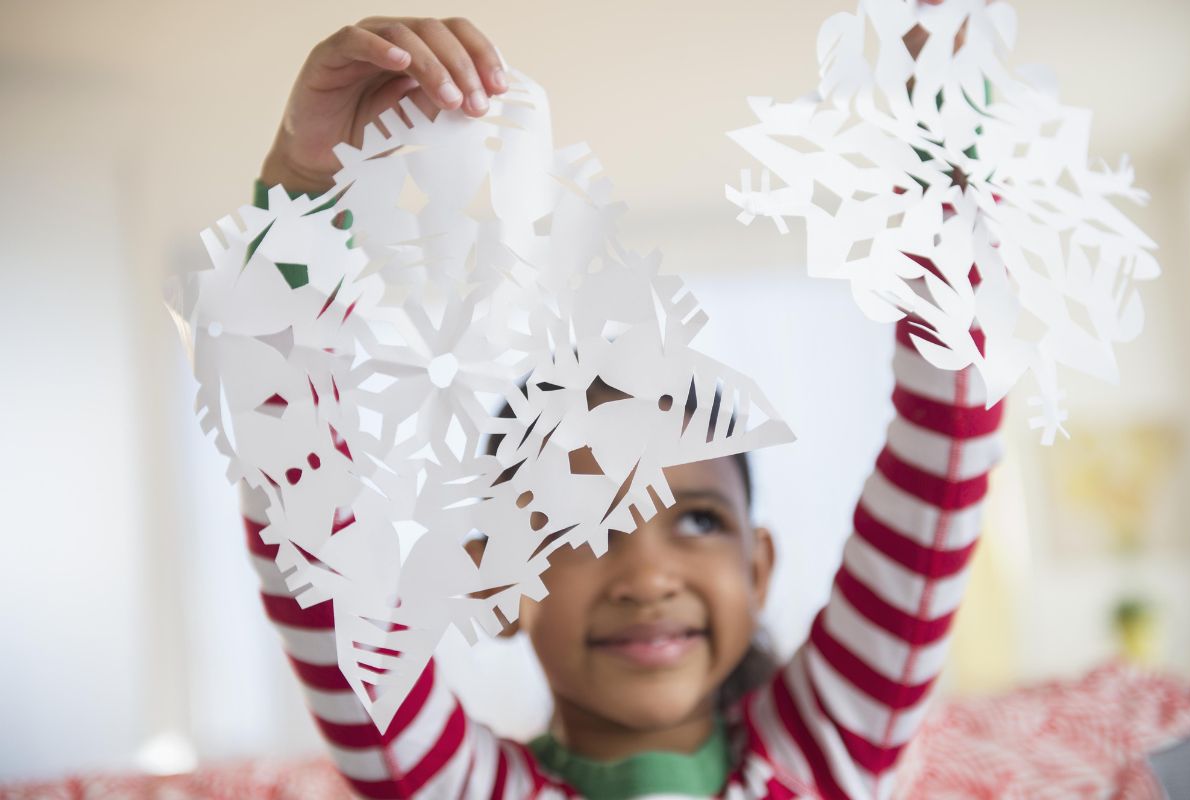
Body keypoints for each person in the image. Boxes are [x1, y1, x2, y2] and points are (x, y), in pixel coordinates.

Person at [242, 11, 1004, 799]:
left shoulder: (827, 748)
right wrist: (302, 191)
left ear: (759, 566)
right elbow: (309, 521)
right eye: (579, 525)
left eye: (700, 521)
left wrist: (938, 140)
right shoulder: (461, 788)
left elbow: (950, 431)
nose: (646, 578)